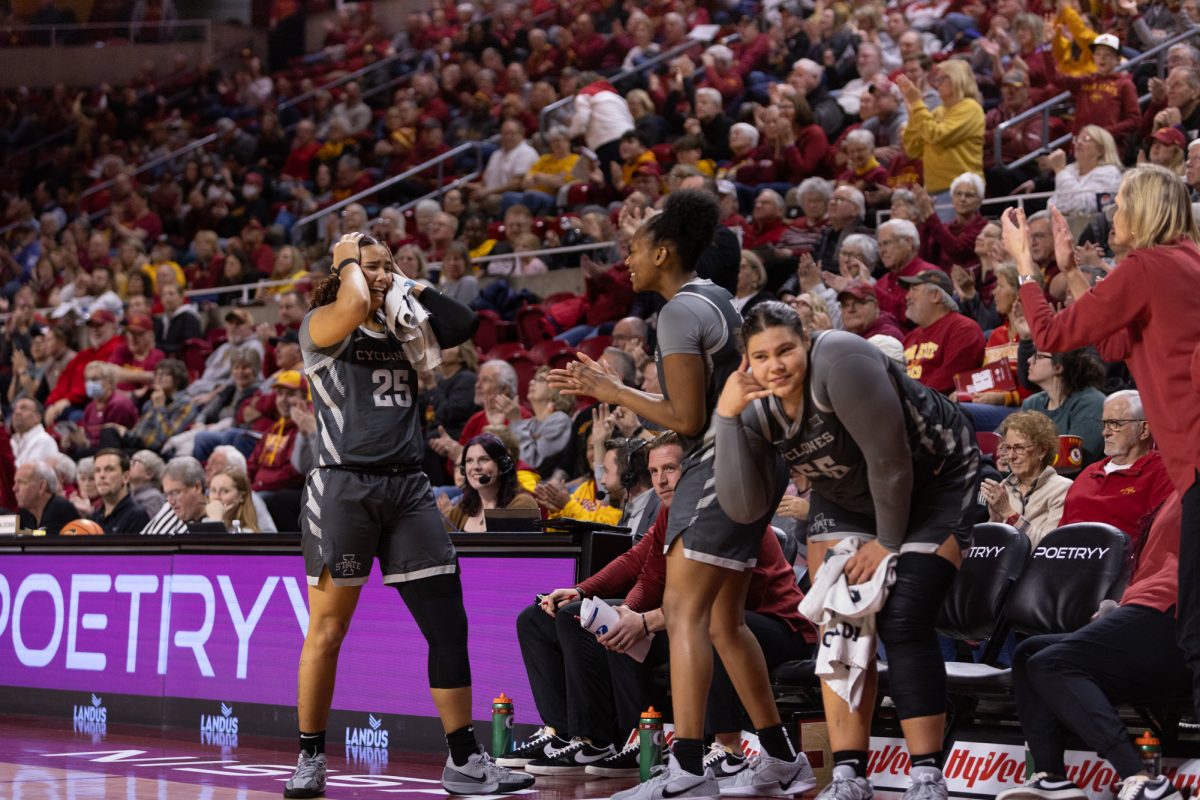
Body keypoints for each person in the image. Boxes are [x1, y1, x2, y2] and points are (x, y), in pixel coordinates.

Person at [550, 191, 814, 800]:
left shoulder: (674, 313)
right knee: (723, 620)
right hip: (756, 463)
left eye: (634, 249)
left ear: (664, 251)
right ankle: (781, 756)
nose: (627, 260)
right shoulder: (715, 296)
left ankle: (689, 769)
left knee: (691, 614)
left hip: (721, 465)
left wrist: (609, 388)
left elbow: (690, 417)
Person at [288, 232, 532, 798]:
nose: (381, 275)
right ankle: (309, 756)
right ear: (344, 270)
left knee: (449, 624)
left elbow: (465, 323)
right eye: (371, 267)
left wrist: (408, 281)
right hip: (344, 486)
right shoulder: (322, 322)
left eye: (388, 266)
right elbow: (351, 303)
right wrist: (348, 256)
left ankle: (464, 760)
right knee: (328, 631)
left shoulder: (405, 325)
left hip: (408, 488)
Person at [713, 302, 980, 800]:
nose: (776, 366)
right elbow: (743, 506)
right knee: (839, 621)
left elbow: (892, 460)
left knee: (903, 617)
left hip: (935, 479)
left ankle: (927, 775)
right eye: (762, 356)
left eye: (787, 350)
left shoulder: (840, 360)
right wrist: (727, 419)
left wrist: (888, 543)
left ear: (807, 343)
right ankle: (848, 775)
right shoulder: (752, 402)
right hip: (847, 496)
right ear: (746, 362)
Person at [1001, 164, 1200, 725]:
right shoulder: (1184, 262)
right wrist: (1070, 272)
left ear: (1145, 211)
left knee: (1196, 633)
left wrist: (1026, 266)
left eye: (1122, 205)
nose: (1113, 214)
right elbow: (1116, 341)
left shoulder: (1145, 265)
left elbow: (1053, 336)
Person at [998, 495, 1189, 800]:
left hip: (1177, 616)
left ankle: (1141, 779)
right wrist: (1120, 604)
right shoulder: (1179, 488)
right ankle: (1052, 777)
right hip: (1147, 607)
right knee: (1029, 653)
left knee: (1051, 663)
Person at [1059, 390, 1174, 541]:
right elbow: (1060, 532)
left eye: (1114, 424)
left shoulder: (1162, 472)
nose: (1105, 433)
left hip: (1118, 561)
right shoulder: (1089, 473)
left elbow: (1160, 539)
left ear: (1144, 430)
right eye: (1105, 424)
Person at [897, 60, 984, 208]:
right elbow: (913, 149)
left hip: (961, 190)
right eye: (936, 80)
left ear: (958, 79)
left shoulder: (970, 108)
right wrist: (913, 113)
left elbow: (937, 136)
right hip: (932, 189)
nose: (937, 84)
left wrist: (917, 103)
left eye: (942, 79)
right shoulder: (938, 112)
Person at [979, 411, 1072, 545]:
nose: (1011, 456)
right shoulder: (1004, 488)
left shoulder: (1063, 489)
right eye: (1008, 448)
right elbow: (989, 547)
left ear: (1042, 450)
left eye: (1019, 448)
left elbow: (1050, 548)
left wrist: (1008, 513)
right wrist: (995, 520)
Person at [900, 270, 986, 395]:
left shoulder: (963, 330)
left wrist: (909, 399)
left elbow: (947, 382)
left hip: (934, 407)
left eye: (914, 289)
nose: (907, 296)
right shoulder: (910, 337)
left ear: (935, 295)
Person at [1021, 348, 1106, 468]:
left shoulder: (1092, 403)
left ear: (1059, 367)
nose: (1029, 360)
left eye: (1039, 357)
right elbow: (1001, 442)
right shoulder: (1032, 403)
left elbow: (1072, 464)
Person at [444, 433, 539, 531]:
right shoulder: (461, 509)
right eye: (469, 461)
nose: (475, 467)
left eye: (484, 459)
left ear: (502, 466)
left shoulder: (522, 504)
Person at [90, 449, 151, 534]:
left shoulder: (137, 516)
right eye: (97, 470)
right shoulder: (93, 517)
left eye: (109, 469)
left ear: (126, 477)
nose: (102, 475)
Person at [15, 462, 77, 536]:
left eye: (22, 482)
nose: (15, 488)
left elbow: (47, 541)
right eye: (15, 482)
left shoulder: (60, 508)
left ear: (41, 486)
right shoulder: (24, 513)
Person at [204, 466, 261, 532]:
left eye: (225, 491)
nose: (216, 497)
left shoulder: (248, 533)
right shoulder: (203, 523)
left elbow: (214, 541)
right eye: (213, 490)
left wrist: (216, 518)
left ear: (241, 496)